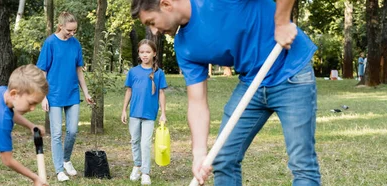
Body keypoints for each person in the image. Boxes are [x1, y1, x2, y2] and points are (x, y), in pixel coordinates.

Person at [131, 0, 321, 185]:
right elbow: (197, 103)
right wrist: (199, 154)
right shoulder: (185, 47)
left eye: (152, 22)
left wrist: (281, 22)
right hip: (251, 82)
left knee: (302, 164)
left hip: (291, 72)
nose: (154, 31)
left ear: (166, 4)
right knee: (222, 159)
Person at [36, 12, 95, 182]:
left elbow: (79, 70)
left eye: (75, 30)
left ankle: (66, 159)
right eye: (69, 30)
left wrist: (86, 92)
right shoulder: (50, 43)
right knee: (56, 134)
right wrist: (43, 96)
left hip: (72, 93)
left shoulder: (75, 44)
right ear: (60, 26)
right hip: (53, 94)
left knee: (73, 131)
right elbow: (42, 71)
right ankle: (59, 169)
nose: (72, 33)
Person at [120, 39, 168, 185]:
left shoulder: (158, 73)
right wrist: (124, 110)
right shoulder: (133, 72)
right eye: (142, 52)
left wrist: (163, 113)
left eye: (148, 52)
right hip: (134, 113)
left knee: (145, 143)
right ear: (138, 54)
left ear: (154, 53)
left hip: (149, 114)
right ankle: (137, 166)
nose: (145, 55)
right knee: (135, 140)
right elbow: (129, 91)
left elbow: (161, 93)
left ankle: (145, 172)